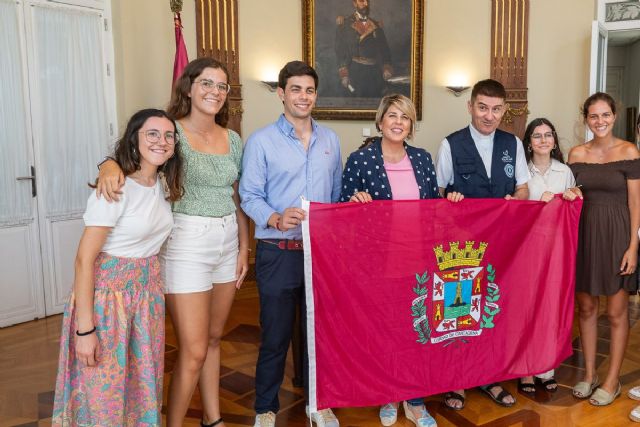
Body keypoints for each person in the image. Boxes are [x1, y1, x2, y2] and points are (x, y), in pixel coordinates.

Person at [97, 57, 249, 427]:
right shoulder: (172, 132)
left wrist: (245, 246)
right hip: (186, 244)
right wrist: (109, 165)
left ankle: (212, 418)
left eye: (222, 86)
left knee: (214, 339)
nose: (215, 91)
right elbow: (132, 159)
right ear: (189, 87)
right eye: (207, 83)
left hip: (228, 240)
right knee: (194, 350)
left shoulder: (232, 138)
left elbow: (236, 195)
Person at [52, 108, 183, 426]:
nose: (161, 141)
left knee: (141, 386)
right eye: (152, 133)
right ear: (133, 139)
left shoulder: (162, 183)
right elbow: (84, 260)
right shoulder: (115, 187)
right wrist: (86, 330)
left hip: (146, 299)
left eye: (168, 136)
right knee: (104, 391)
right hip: (108, 302)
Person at [239, 61, 342, 427]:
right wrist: (275, 218)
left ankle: (319, 403)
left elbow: (336, 194)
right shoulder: (261, 141)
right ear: (281, 93)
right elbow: (248, 195)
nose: (304, 96)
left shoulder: (330, 140)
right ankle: (265, 408)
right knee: (276, 337)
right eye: (296, 89)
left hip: (320, 257)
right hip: (277, 253)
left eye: (310, 90)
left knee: (319, 336)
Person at [340, 94, 438, 427]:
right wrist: (355, 201)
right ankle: (387, 395)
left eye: (405, 117)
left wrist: (451, 200)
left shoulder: (423, 159)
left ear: (411, 125)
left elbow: (434, 208)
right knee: (384, 330)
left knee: (416, 330)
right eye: (392, 115)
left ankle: (415, 400)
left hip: (417, 260)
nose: (398, 122)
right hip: (377, 262)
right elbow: (342, 209)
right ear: (381, 121)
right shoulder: (361, 160)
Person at [435, 78, 529, 410]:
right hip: (460, 248)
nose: (489, 116)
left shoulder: (513, 144)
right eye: (482, 108)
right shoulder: (451, 144)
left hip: (503, 246)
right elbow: (438, 194)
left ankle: (489, 377)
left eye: (496, 109)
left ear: (504, 110)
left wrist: (514, 200)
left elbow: (523, 189)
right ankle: (457, 381)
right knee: (459, 312)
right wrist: (451, 196)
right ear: (470, 106)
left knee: (493, 311)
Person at [567, 92, 640, 406]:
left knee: (615, 312)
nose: (599, 121)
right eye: (593, 116)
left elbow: (636, 204)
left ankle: (611, 380)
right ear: (586, 118)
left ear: (614, 115)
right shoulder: (575, 153)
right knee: (586, 309)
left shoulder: (628, 150)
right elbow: (570, 194)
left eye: (605, 115)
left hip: (617, 236)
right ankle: (588, 374)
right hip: (583, 235)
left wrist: (633, 247)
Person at [517, 118, 578, 394]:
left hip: (556, 251)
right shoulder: (521, 171)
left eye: (548, 135)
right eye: (537, 136)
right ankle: (526, 370)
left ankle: (546, 368)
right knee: (526, 308)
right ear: (528, 142)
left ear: (554, 141)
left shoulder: (564, 171)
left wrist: (571, 195)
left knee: (550, 307)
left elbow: (574, 208)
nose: (543, 140)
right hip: (526, 250)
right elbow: (513, 209)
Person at [335, 0, 392, 97]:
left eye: (367, 1)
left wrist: (386, 69)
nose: (366, 4)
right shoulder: (345, 24)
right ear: (354, 3)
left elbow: (385, 50)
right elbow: (341, 51)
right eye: (362, 1)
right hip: (355, 72)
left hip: (374, 73)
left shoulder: (376, 25)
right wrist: (344, 75)